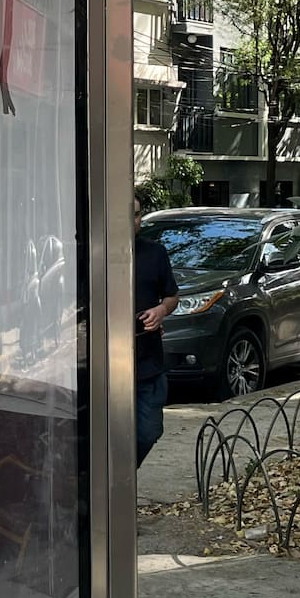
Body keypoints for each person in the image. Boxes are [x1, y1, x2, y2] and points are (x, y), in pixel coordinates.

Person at [133, 198, 180, 466]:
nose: (133, 221)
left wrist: (160, 311)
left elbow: (172, 297)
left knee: (148, 431)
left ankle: (123, 476)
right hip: (101, 364)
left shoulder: (155, 253)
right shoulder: (91, 254)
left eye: (137, 214)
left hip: (147, 361)